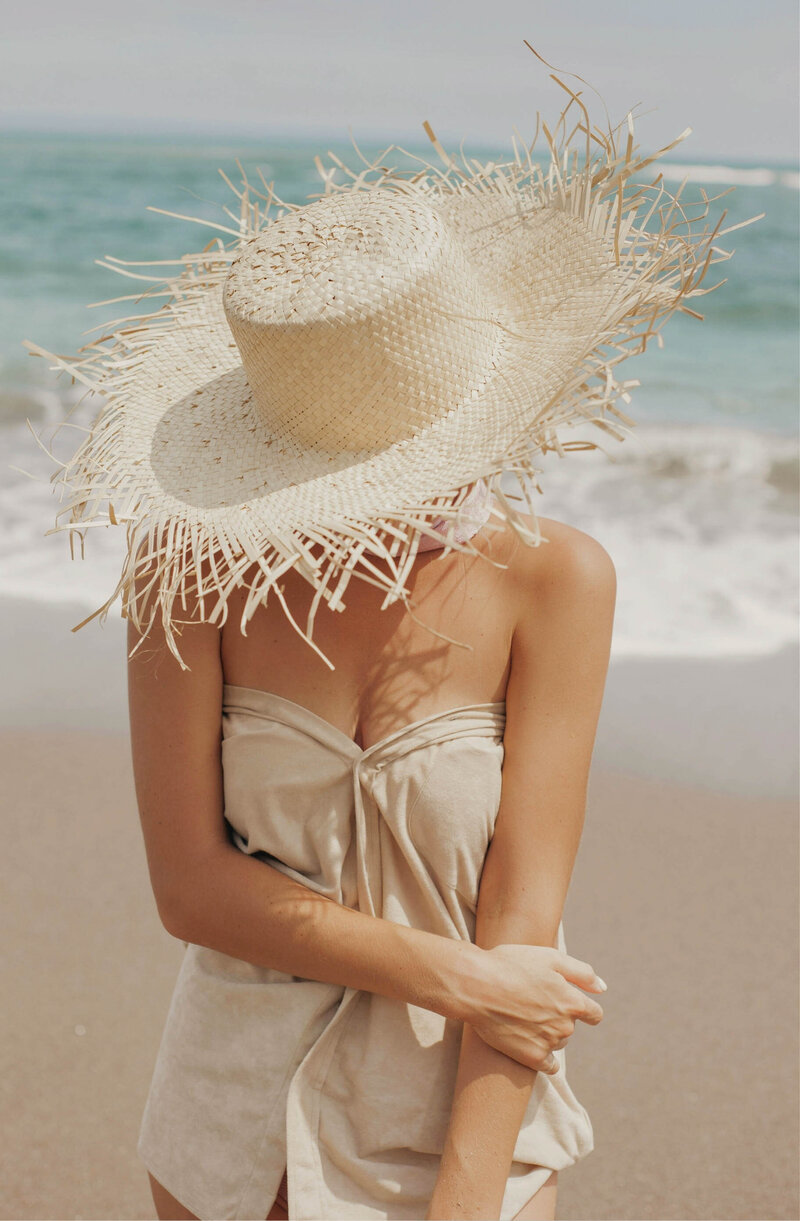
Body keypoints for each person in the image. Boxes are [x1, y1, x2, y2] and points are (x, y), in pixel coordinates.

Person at [27, 51, 747, 1221]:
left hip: (461, 1126)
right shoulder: (186, 573)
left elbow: (524, 915)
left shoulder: (555, 584)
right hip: (231, 1129)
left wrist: (464, 1196)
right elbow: (191, 889)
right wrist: (465, 978)